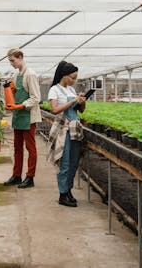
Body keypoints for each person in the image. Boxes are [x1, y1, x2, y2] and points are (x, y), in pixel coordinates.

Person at [47, 61, 86, 207]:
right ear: (65, 76)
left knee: (74, 162)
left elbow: (80, 111)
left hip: (74, 129)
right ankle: (62, 194)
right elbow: (54, 110)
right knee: (65, 162)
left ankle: (68, 190)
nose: (74, 81)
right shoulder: (54, 90)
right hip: (63, 129)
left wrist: (82, 101)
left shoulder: (71, 90)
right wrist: (72, 101)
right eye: (72, 78)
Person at [3, 48, 42, 189]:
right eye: (10, 61)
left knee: (30, 148)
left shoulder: (30, 74)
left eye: (13, 60)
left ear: (20, 57)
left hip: (28, 116)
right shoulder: (16, 74)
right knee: (17, 147)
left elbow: (36, 98)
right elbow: (16, 91)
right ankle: (16, 175)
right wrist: (11, 90)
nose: (11, 63)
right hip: (18, 115)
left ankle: (30, 177)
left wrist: (20, 106)